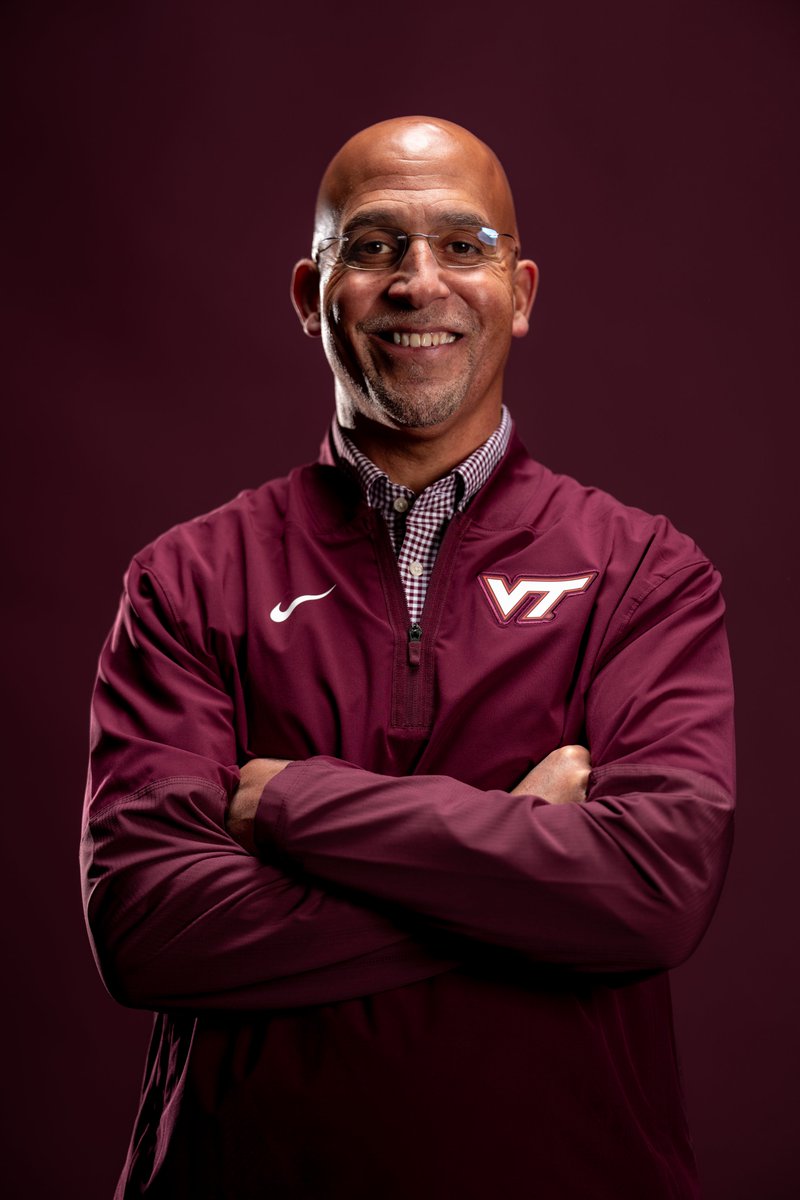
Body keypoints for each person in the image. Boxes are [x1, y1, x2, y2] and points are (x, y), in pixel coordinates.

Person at [81, 116, 735, 1199]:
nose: (417, 283)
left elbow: (652, 888)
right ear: (310, 295)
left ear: (519, 292)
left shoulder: (643, 571)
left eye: (462, 246)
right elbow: (148, 926)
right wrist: (521, 863)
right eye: (373, 246)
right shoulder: (185, 579)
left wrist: (294, 805)